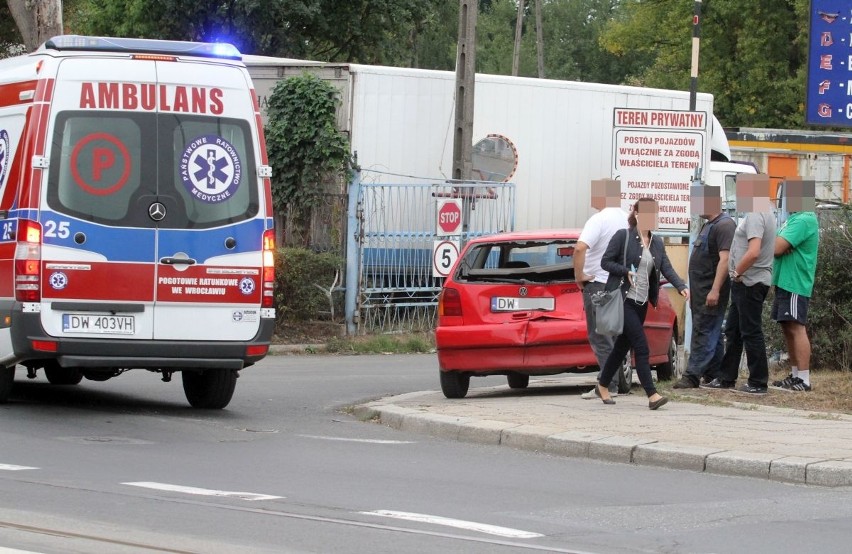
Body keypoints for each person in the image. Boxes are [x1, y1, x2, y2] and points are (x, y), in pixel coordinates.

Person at [594, 198, 689, 409]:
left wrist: (681, 286)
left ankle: (602, 384)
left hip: (642, 302)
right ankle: (652, 394)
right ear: (636, 214)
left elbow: (667, 268)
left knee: (621, 347)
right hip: (623, 299)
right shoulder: (623, 236)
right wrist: (625, 271)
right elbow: (605, 262)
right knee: (641, 346)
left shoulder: (657, 242)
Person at [702, 175, 776, 393]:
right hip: (748, 282)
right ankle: (726, 377)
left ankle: (758, 382)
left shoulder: (755, 213)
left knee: (751, 331)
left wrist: (736, 271)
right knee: (733, 330)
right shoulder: (766, 210)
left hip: (750, 281)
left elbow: (753, 251)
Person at [673, 185, 734, 389]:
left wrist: (715, 290)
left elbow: (724, 261)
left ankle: (692, 375)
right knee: (711, 334)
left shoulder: (725, 226)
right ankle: (714, 374)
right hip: (701, 294)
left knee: (704, 333)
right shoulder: (709, 224)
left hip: (710, 291)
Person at [574, 179, 628, 399]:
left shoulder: (599, 220)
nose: (591, 199)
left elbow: (580, 248)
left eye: (594, 194)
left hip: (598, 284)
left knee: (600, 336)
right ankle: (615, 382)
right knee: (615, 334)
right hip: (622, 284)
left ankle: (607, 385)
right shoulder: (627, 219)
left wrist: (579, 277)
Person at [771, 179, 819, 392]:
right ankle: (794, 374)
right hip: (784, 280)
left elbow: (776, 247)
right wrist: (778, 243)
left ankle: (804, 379)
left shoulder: (805, 219)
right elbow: (776, 244)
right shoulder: (792, 220)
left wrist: (779, 243)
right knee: (787, 326)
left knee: (796, 327)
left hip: (795, 282)